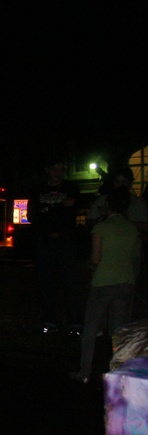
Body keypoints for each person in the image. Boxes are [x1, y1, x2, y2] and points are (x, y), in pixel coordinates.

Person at [71, 186, 141, 383]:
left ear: (108, 205)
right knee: (118, 331)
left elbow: (95, 258)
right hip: (126, 281)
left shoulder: (101, 228)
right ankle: (119, 375)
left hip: (103, 281)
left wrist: (88, 264)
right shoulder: (131, 228)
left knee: (91, 328)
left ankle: (84, 372)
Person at [27, 157, 84, 335]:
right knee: (45, 282)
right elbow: (33, 216)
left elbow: (71, 213)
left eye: (61, 169)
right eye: (55, 169)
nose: (58, 173)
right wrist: (59, 208)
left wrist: (48, 211)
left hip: (65, 240)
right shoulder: (38, 190)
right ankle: (49, 320)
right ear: (47, 170)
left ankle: (75, 322)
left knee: (70, 283)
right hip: (44, 240)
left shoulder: (71, 188)